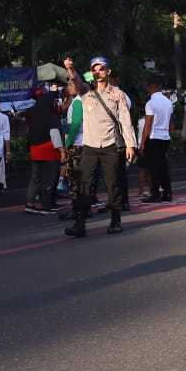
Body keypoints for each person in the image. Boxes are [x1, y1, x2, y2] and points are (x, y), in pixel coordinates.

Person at [64, 56, 137, 237]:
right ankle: (80, 223)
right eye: (94, 69)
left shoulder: (117, 94)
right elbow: (76, 80)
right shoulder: (86, 93)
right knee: (84, 184)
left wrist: (130, 145)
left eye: (101, 68)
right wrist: (70, 68)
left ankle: (115, 220)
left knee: (113, 184)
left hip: (110, 146)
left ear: (108, 71)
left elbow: (125, 121)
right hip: (89, 146)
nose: (98, 72)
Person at [23, 85, 63, 214]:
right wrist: (62, 150)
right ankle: (46, 205)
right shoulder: (50, 114)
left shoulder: (33, 112)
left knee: (36, 178)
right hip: (49, 150)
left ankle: (30, 203)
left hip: (35, 149)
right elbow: (54, 133)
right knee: (49, 178)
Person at [142, 77, 174, 202]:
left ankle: (155, 193)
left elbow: (148, 124)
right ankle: (167, 192)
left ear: (150, 88)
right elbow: (171, 122)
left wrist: (142, 142)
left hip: (154, 137)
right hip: (165, 137)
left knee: (154, 168)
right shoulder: (168, 101)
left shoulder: (150, 103)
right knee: (164, 166)